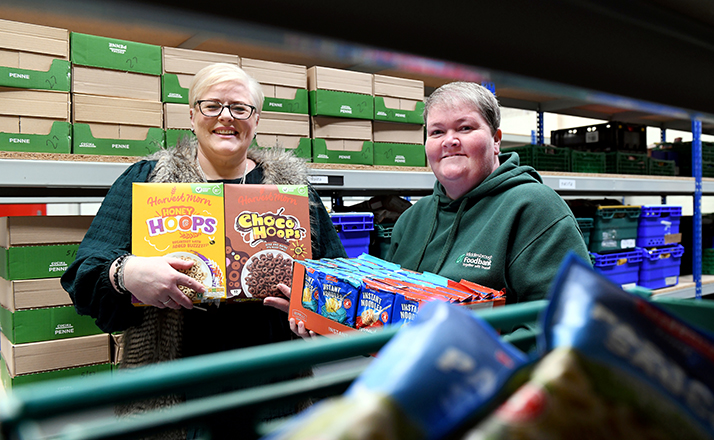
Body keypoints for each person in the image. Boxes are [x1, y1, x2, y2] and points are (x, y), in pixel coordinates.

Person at [61, 63, 346, 373]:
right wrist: (126, 273)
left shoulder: (292, 191)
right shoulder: (147, 180)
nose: (226, 116)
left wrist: (315, 312)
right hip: (176, 389)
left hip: (272, 384)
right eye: (212, 106)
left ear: (256, 119)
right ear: (192, 115)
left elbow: (337, 276)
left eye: (240, 108)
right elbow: (83, 277)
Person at [386, 81, 590, 304]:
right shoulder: (412, 219)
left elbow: (565, 320)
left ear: (496, 140)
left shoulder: (536, 207)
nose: (449, 140)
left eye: (465, 128)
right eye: (437, 132)